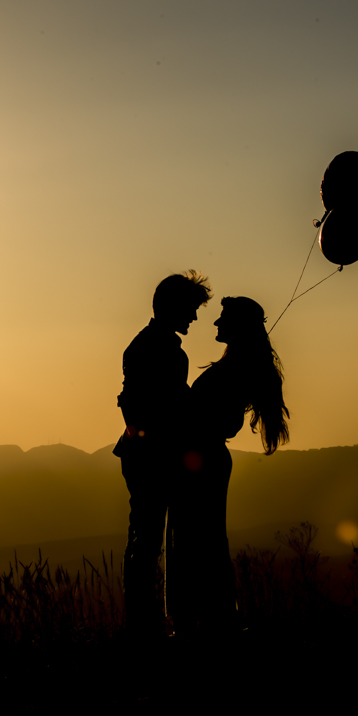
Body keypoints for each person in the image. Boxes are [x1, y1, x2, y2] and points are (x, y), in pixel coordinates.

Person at [167, 295, 289, 634]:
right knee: (204, 538)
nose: (217, 323)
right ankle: (212, 618)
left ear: (238, 326)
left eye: (224, 318)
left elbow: (208, 417)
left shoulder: (233, 370)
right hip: (206, 458)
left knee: (194, 540)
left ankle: (203, 620)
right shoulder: (240, 366)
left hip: (201, 459)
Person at [114, 270, 213, 637]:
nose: (195, 317)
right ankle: (141, 627)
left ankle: (145, 624)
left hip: (150, 455)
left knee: (147, 539)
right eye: (191, 309)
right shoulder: (153, 348)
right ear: (172, 307)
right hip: (150, 459)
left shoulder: (158, 346)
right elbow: (135, 404)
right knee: (146, 541)